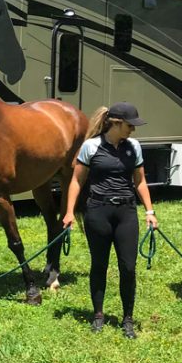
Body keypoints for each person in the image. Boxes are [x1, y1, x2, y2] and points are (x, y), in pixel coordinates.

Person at [62, 102, 158, 338]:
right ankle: (98, 315)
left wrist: (149, 211)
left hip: (126, 212)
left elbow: (140, 181)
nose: (132, 130)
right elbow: (76, 181)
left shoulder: (133, 147)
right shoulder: (91, 147)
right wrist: (69, 212)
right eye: (129, 125)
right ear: (115, 123)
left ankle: (127, 319)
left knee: (128, 267)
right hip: (98, 211)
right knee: (99, 264)